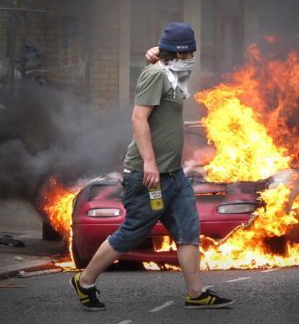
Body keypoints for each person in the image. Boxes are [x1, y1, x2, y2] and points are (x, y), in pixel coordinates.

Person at [70, 22, 234, 311]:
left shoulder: (174, 74)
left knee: (188, 230)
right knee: (132, 232)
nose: (193, 57)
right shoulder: (156, 75)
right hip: (148, 176)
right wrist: (149, 163)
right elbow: (138, 118)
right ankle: (84, 281)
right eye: (191, 52)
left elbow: (167, 85)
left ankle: (196, 294)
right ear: (181, 53)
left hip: (174, 174)